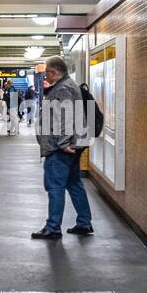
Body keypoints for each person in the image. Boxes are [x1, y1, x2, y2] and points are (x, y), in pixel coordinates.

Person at [31, 55, 93, 239]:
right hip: (71, 144)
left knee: (54, 186)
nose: (45, 77)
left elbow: (66, 117)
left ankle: (53, 227)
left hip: (60, 148)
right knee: (73, 183)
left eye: (46, 73)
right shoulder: (67, 85)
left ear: (53, 72)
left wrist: (64, 142)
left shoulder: (63, 88)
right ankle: (84, 222)